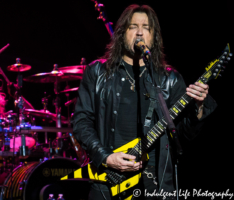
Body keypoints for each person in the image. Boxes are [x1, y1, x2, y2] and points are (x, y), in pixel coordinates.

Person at [72, 4, 217, 200]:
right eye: (133, 26)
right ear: (122, 33)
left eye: (146, 27)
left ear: (154, 36)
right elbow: (81, 122)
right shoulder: (97, 73)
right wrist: (106, 157)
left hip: (155, 186)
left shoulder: (169, 79)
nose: (140, 32)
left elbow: (182, 136)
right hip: (108, 184)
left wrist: (199, 108)